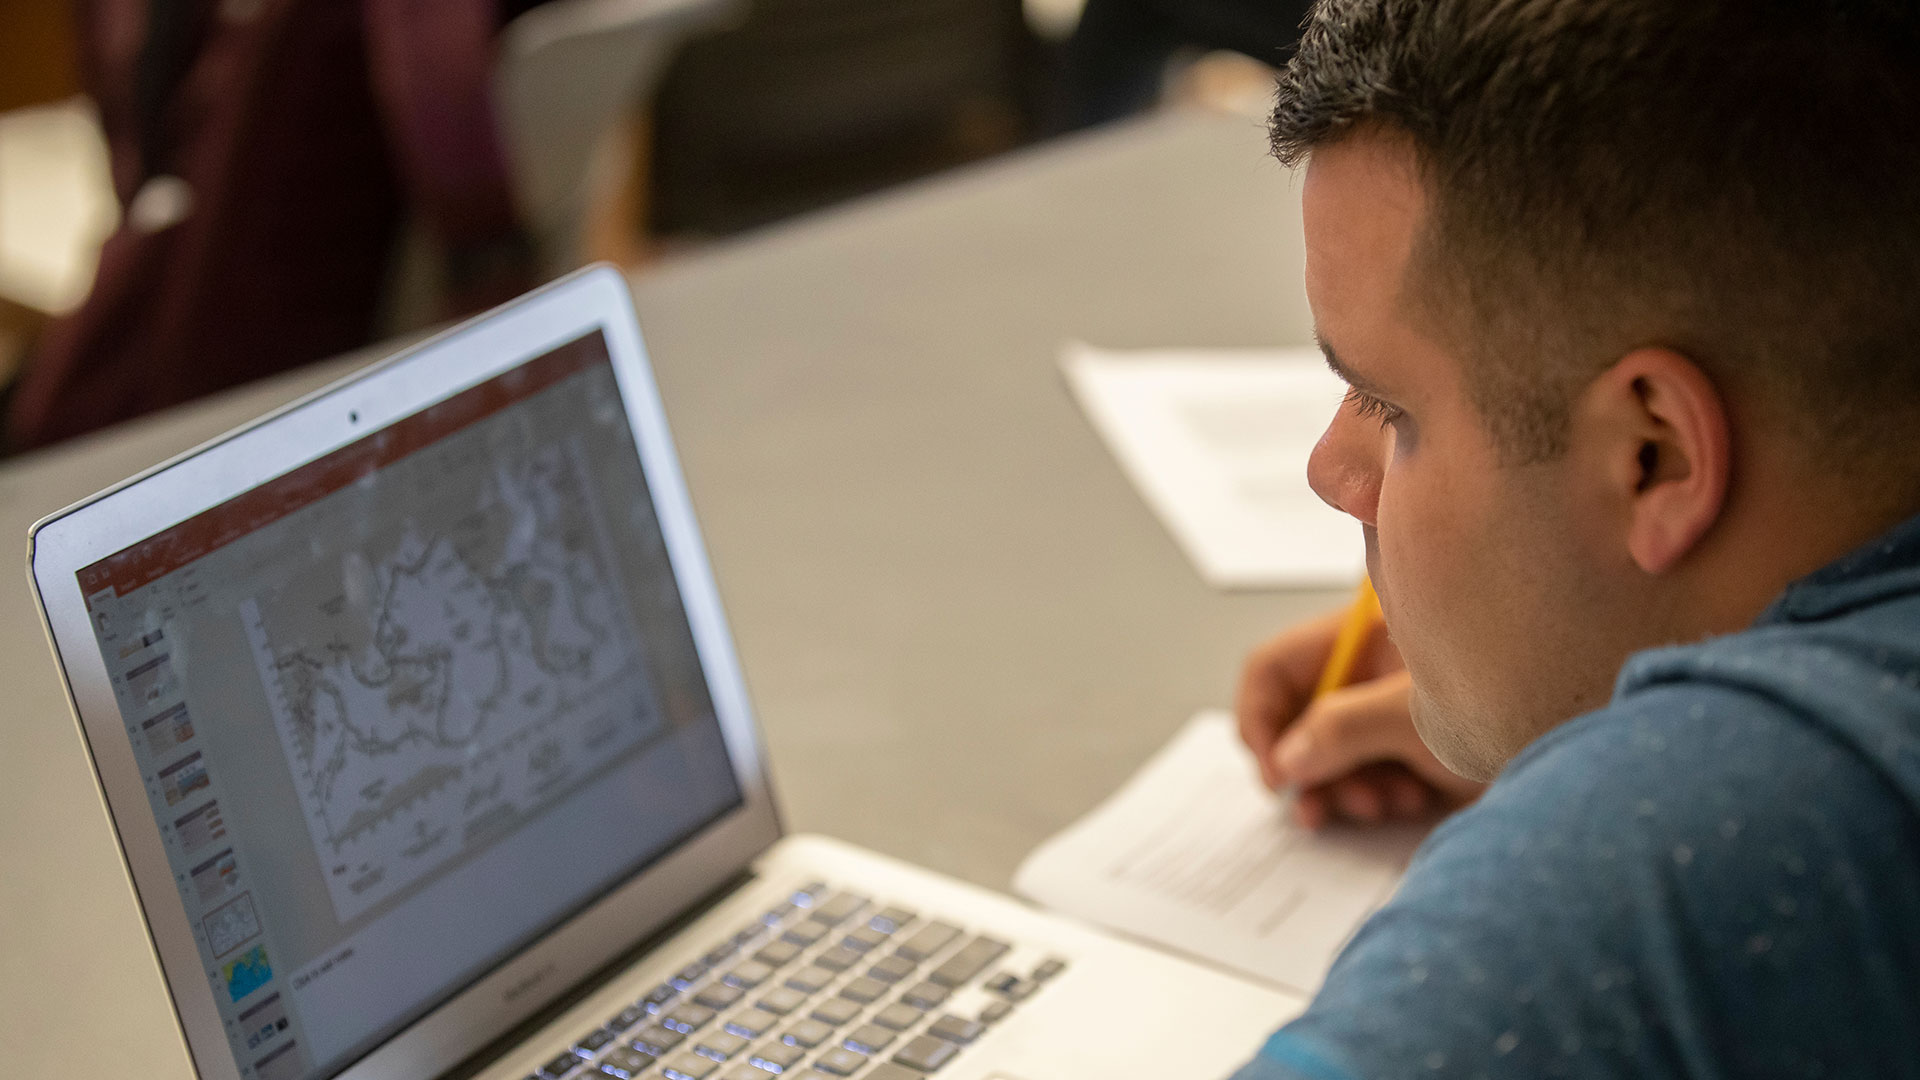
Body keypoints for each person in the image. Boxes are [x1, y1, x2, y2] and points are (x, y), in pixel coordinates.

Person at [1225, 0, 1920, 1075]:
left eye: (1389, 406)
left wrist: (1618, 806)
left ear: (1654, 456)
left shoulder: (1663, 864)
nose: (1333, 472)